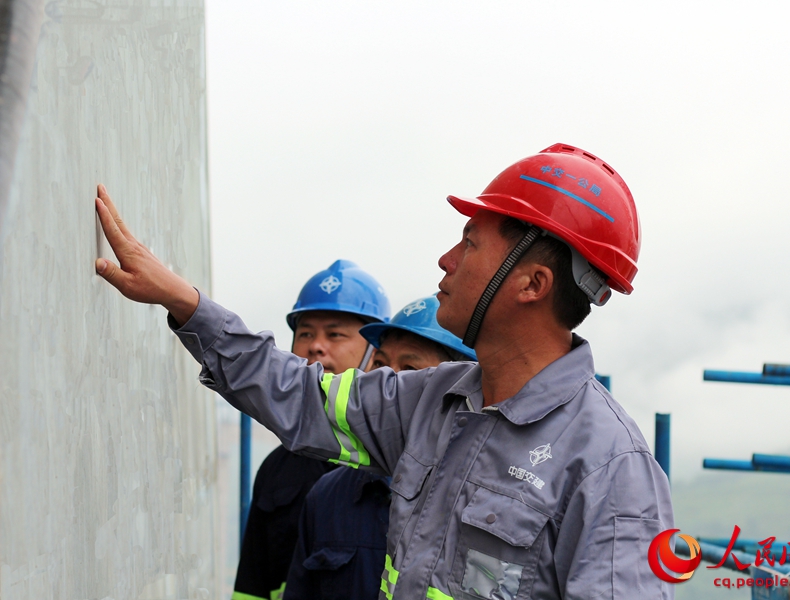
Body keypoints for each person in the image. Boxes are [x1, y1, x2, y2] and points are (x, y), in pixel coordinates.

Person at [94, 143, 676, 599]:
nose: (446, 260)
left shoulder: (611, 471)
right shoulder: (429, 404)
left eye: (470, 244)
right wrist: (185, 303)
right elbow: (296, 394)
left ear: (532, 284)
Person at [283, 295, 476, 600]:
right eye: (380, 363)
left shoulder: (483, 505)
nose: (387, 381)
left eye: (410, 368)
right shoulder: (329, 495)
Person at [233, 260, 391, 600]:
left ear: (375, 354)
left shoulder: (399, 464)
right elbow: (251, 586)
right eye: (305, 333)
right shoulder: (277, 467)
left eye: (335, 334)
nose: (316, 346)